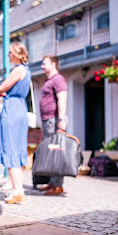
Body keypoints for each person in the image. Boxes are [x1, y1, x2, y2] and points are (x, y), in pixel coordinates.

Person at [0, 42, 30, 204]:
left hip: (12, 110)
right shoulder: (26, 70)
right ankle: (18, 189)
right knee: (16, 149)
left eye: (10, 52)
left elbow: (3, 88)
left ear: (17, 54)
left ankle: (18, 191)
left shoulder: (18, 70)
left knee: (10, 148)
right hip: (19, 108)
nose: (8, 55)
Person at [39, 55, 68, 195]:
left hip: (54, 120)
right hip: (47, 121)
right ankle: (52, 182)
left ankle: (58, 185)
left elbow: (62, 99)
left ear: (53, 64)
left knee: (56, 152)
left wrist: (61, 120)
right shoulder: (49, 80)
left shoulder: (58, 79)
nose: (42, 66)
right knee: (50, 153)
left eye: (44, 63)